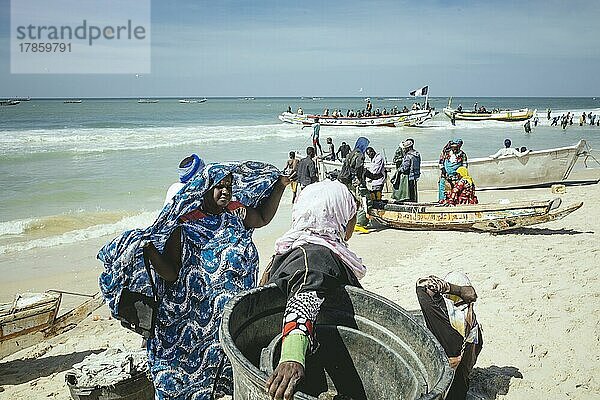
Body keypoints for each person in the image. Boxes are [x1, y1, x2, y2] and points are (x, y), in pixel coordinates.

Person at [98, 161, 289, 400]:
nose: (226, 191)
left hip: (226, 322)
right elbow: (172, 273)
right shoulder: (185, 226)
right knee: (182, 384)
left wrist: (281, 185)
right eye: (219, 186)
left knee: (223, 380)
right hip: (191, 323)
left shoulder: (235, 215)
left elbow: (261, 218)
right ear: (205, 188)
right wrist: (148, 249)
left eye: (229, 185)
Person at [264, 179, 366, 400]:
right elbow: (306, 292)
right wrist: (292, 356)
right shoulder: (314, 254)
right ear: (336, 214)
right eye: (351, 213)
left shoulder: (287, 251)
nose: (353, 220)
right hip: (310, 375)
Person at [416, 272, 482, 400]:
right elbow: (478, 347)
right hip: (461, 388)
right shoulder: (472, 321)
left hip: (444, 393)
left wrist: (452, 288)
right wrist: (465, 291)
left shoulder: (444, 316)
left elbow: (422, 285)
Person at [338, 137, 370, 231]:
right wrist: (360, 181)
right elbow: (358, 169)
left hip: (346, 180)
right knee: (363, 199)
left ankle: (348, 221)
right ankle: (360, 223)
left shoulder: (350, 153)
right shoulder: (360, 155)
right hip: (354, 181)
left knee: (350, 201)